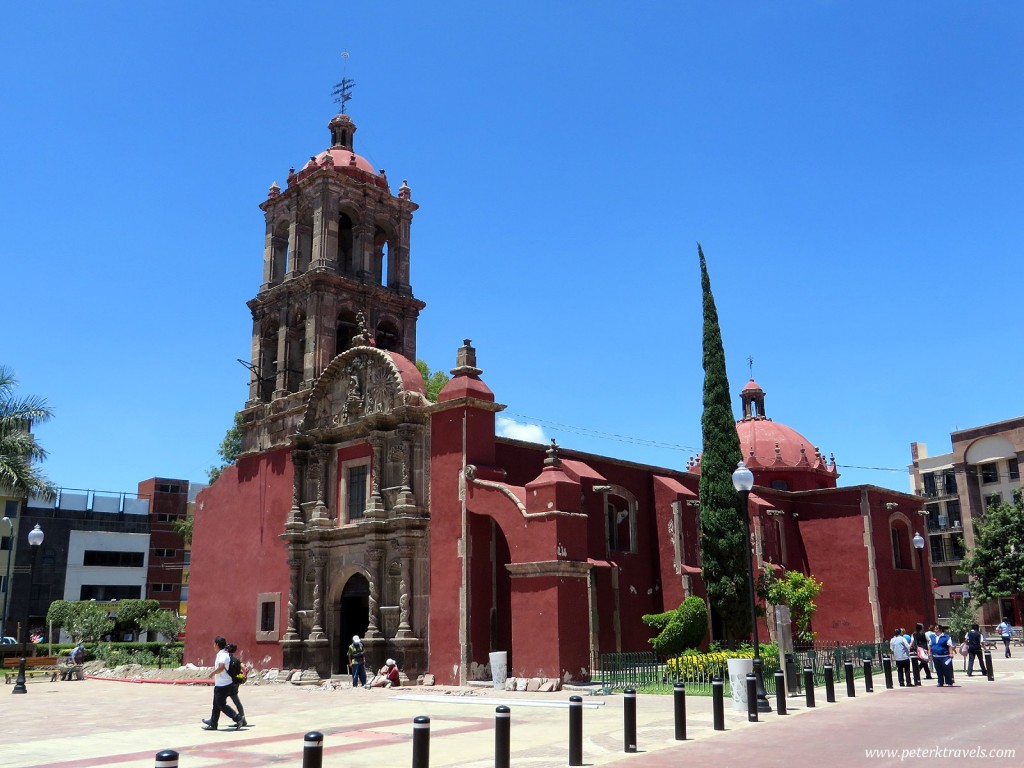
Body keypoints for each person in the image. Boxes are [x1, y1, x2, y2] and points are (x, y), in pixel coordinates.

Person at [202, 636, 243, 730]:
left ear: (216, 644)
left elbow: (221, 668)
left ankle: (238, 718)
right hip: (221, 683)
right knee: (216, 704)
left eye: (214, 644)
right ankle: (213, 723)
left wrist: (213, 673)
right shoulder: (222, 654)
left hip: (223, 685)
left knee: (221, 705)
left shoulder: (223, 655)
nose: (213, 646)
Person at [225, 643, 247, 727]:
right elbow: (240, 671)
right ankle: (242, 718)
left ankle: (239, 719)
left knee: (220, 702)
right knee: (237, 702)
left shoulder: (227, 660)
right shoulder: (237, 660)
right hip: (235, 683)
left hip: (227, 684)